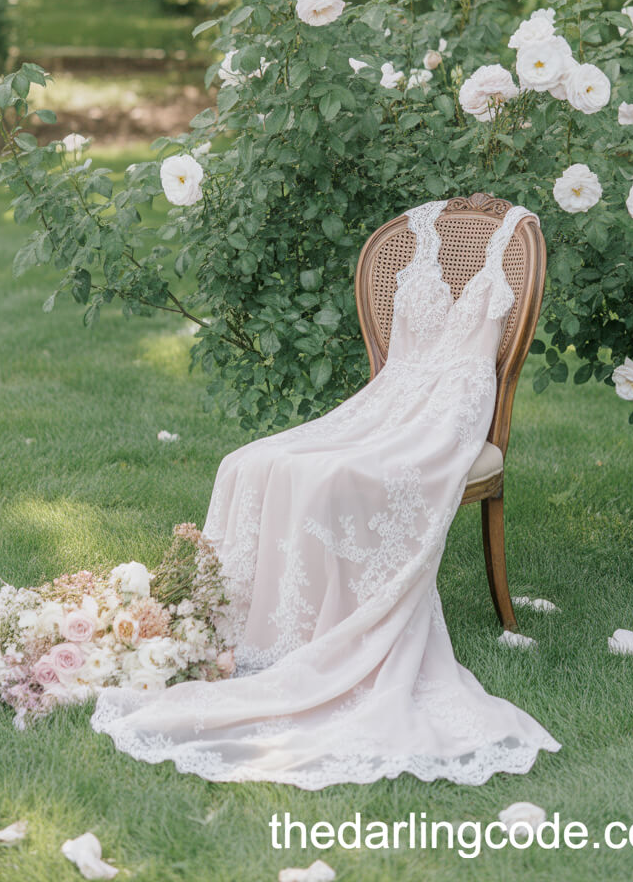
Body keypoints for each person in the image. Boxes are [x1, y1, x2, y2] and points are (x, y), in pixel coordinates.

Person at [92, 201, 561, 788]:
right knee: (251, 462)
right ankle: (238, 626)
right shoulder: (412, 236)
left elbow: (483, 372)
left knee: (341, 477)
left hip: (448, 416)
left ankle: (320, 637)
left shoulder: (515, 241)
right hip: (387, 399)